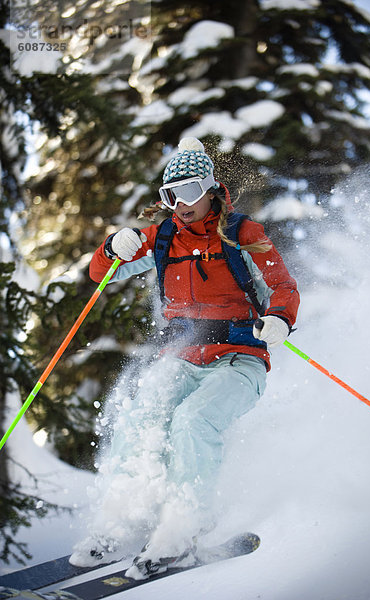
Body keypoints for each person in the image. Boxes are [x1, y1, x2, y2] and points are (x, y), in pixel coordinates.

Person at [70, 137, 299, 578]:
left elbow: (284, 286)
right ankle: (119, 525)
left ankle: (181, 532)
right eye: (170, 195)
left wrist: (279, 319)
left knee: (193, 421)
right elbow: (103, 274)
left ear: (211, 188)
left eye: (190, 191)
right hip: (183, 355)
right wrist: (111, 247)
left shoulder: (242, 233)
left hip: (239, 359)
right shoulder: (162, 238)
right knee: (143, 415)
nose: (181, 203)